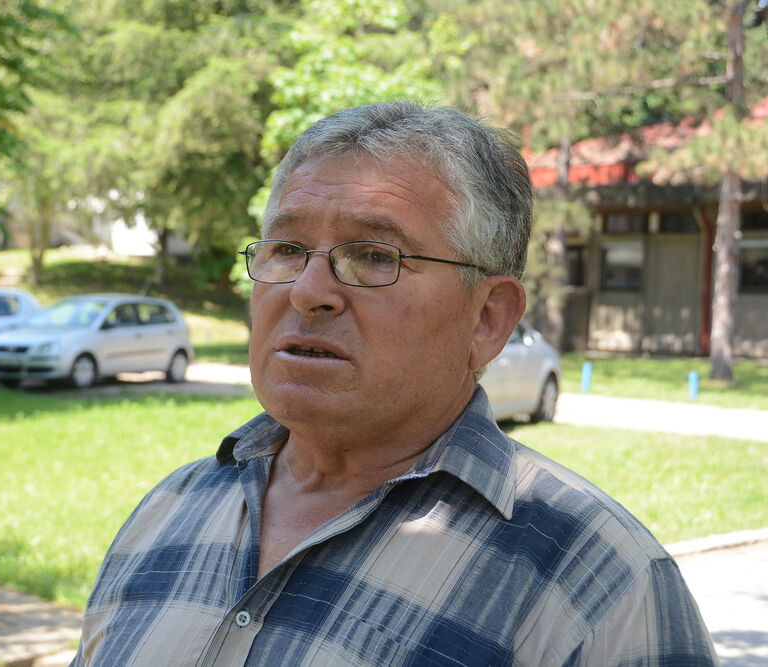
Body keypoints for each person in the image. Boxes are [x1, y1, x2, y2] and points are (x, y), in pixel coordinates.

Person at [71, 101, 717, 665]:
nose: (308, 291)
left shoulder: (600, 587)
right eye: (287, 250)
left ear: (487, 319)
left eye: (375, 257)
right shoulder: (169, 512)